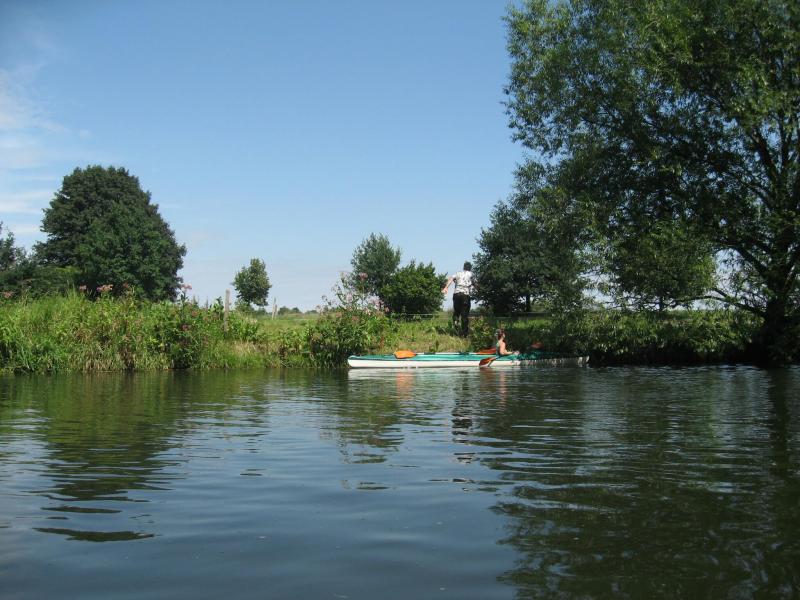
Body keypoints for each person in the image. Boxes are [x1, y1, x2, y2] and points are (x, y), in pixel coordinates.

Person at [442, 261, 474, 337]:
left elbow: (450, 278)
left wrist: (446, 288)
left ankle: (456, 329)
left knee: (456, 313)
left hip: (456, 295)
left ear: (463, 267)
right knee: (464, 315)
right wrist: (480, 289)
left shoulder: (458, 273)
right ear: (470, 268)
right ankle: (464, 334)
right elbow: (475, 283)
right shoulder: (471, 274)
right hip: (465, 295)